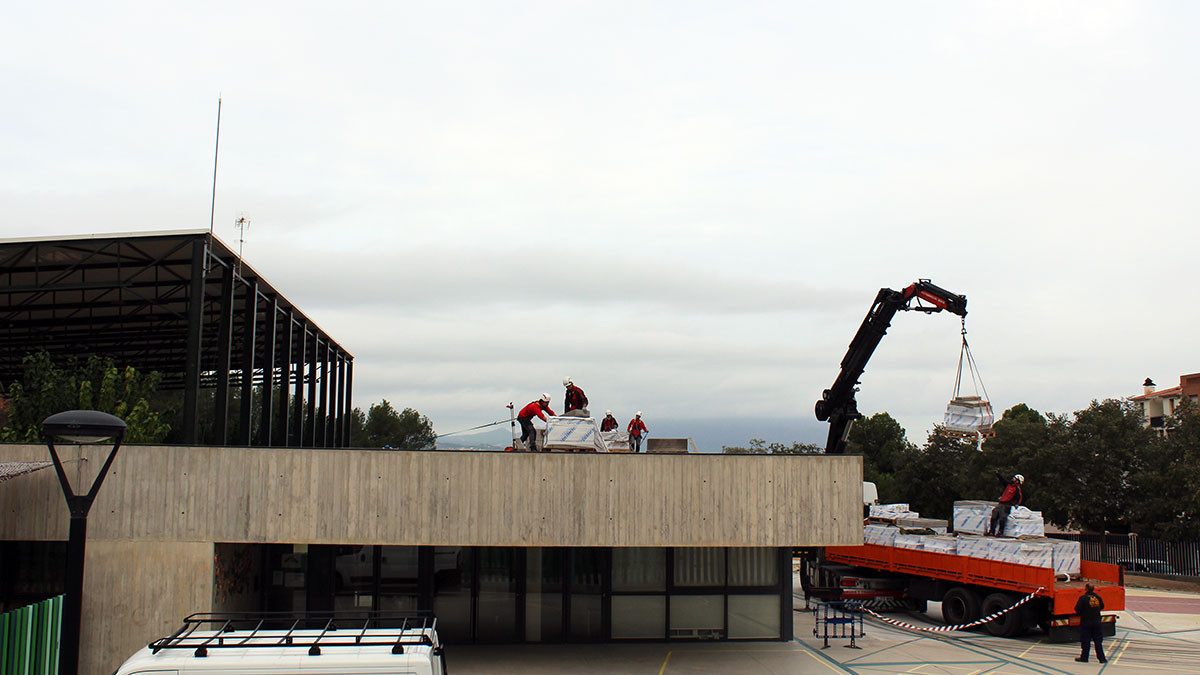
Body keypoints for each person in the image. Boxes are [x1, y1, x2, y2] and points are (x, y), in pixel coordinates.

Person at [1075, 584, 1107, 663]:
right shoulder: (1098, 597)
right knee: (1098, 641)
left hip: (1086, 621)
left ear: (1086, 589)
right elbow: (1102, 606)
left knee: (1086, 640)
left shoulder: (1083, 598)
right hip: (1097, 621)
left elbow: (1077, 609)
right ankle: (1102, 658)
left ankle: (1084, 657)